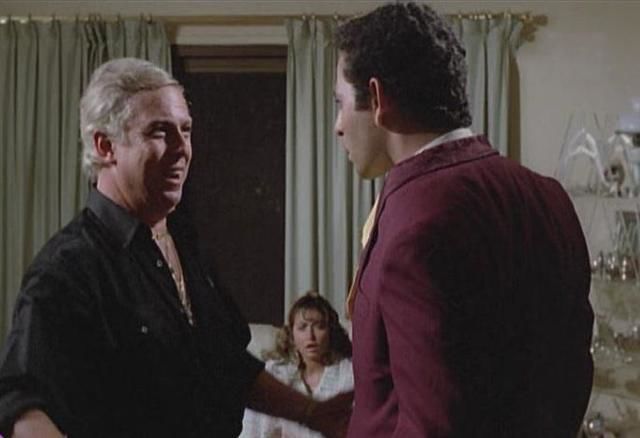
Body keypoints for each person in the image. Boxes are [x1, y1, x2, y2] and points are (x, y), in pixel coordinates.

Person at [0, 58, 351, 438]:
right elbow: (22, 404)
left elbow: (228, 365)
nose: (182, 148)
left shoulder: (186, 246)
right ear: (105, 146)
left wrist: (313, 413)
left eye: (186, 130)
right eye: (159, 131)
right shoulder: (69, 267)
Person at [334, 3, 594, 437]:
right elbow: (572, 375)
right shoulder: (549, 197)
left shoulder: (413, 226)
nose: (338, 126)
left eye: (340, 103)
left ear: (377, 99)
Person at [240, 291, 353, 438]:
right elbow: (251, 431)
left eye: (319, 326)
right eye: (302, 327)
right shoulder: (274, 371)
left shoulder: (348, 373)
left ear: (330, 331)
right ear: (292, 333)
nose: (310, 336)